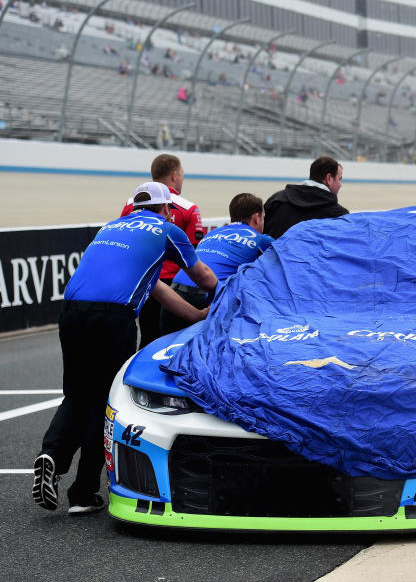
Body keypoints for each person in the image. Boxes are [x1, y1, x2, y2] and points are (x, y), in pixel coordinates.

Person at [33, 182, 217, 516]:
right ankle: (83, 493)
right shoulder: (167, 229)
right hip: (112, 317)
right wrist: (222, 300)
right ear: (167, 209)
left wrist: (195, 315)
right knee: (104, 399)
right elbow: (204, 278)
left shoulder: (110, 226)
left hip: (72, 310)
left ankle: (52, 455)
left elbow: (157, 287)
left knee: (76, 394)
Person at [120, 154, 204, 349]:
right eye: (182, 174)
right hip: (175, 286)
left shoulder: (131, 204)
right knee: (175, 343)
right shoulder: (189, 208)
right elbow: (193, 254)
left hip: (143, 282)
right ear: (174, 175)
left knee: (147, 338)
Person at [160, 193, 274, 335]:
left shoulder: (212, 233)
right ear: (256, 217)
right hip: (206, 297)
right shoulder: (261, 240)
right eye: (263, 218)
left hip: (175, 293)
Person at [264, 156, 348, 238]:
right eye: (339, 179)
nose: (340, 185)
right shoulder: (339, 215)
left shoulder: (276, 199)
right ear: (329, 178)